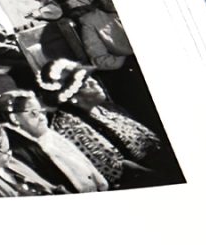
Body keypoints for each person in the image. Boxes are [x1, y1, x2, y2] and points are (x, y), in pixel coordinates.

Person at [36, 59, 178, 186]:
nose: (94, 82)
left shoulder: (107, 108)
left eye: (90, 77)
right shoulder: (68, 126)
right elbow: (118, 169)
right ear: (73, 98)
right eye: (85, 84)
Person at [0, 90, 109, 193]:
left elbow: (82, 160)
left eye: (42, 111)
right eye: (34, 113)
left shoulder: (49, 134)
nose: (42, 117)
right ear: (14, 118)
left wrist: (101, 183)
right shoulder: (19, 152)